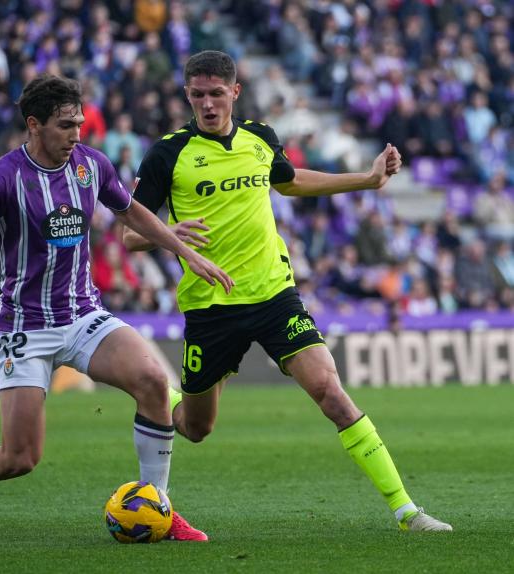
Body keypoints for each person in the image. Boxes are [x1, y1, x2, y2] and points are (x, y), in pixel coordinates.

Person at [124, 51, 452, 533]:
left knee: (330, 391)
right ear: (187, 95)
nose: (208, 105)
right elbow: (131, 233)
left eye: (217, 94)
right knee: (195, 428)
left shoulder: (260, 138)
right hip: (210, 306)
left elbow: (292, 181)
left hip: (275, 295)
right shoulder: (167, 153)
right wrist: (171, 231)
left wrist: (367, 178)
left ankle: (406, 510)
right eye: (198, 95)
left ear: (234, 92)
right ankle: (167, 397)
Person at [0, 75, 234, 542]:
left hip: (83, 316)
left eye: (80, 123)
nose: (77, 133)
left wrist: (184, 251)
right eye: (66, 125)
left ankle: (157, 507)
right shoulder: (4, 177)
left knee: (151, 382)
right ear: (34, 125)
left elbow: (132, 213)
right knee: (18, 458)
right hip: (26, 329)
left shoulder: (90, 165)